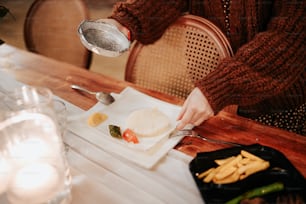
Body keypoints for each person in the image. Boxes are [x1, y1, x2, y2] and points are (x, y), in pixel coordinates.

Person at [106, 0, 305, 135]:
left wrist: (221, 86)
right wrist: (128, 20)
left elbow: (288, 38)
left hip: (277, 107)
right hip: (214, 100)